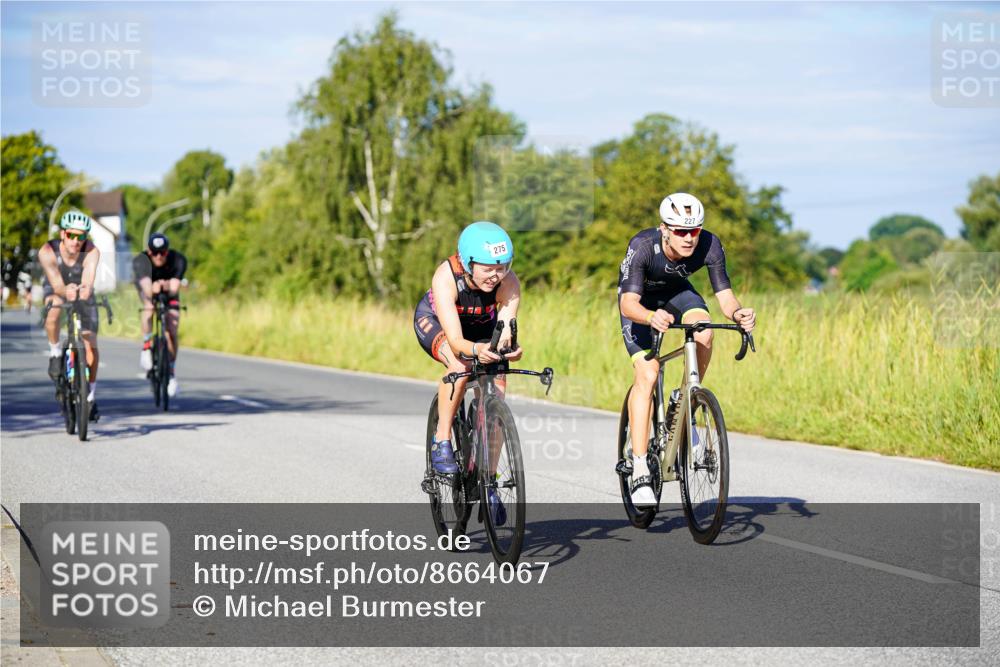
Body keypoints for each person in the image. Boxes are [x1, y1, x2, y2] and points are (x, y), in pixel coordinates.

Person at [618, 192, 756, 507]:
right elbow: (628, 304)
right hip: (640, 304)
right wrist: (650, 317)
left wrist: (738, 314)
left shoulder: (710, 244)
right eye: (681, 231)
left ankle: (685, 399)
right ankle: (640, 468)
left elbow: (725, 297)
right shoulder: (643, 246)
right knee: (648, 373)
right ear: (664, 229)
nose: (689, 238)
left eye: (694, 230)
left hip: (679, 294)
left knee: (704, 332)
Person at [413, 221, 523, 524]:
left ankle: (489, 480)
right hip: (438, 324)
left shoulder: (509, 283)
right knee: (460, 366)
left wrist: (508, 348)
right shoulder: (446, 277)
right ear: (466, 262)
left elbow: (505, 329)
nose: (496, 275)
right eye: (488, 269)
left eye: (502, 267)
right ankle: (442, 440)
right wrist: (476, 350)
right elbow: (456, 341)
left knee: (498, 381)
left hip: (481, 327)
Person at [39, 211, 102, 420]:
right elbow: (57, 284)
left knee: (90, 344)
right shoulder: (47, 251)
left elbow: (88, 278)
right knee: (54, 307)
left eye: (81, 236)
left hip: (81, 288)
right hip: (56, 287)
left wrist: (85, 289)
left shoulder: (91, 251)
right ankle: (55, 351)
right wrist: (65, 290)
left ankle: (90, 395)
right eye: (71, 235)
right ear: (63, 234)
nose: (76, 241)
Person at [133, 232, 187, 397]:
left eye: (162, 253)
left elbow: (175, 288)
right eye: (155, 253)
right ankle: (146, 346)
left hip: (168, 294)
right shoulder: (141, 261)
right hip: (148, 291)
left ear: (167, 252)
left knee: (172, 328)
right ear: (149, 252)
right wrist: (156, 286)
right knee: (149, 308)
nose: (158, 256)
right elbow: (148, 289)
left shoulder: (177, 259)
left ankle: (171, 372)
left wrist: (164, 285)